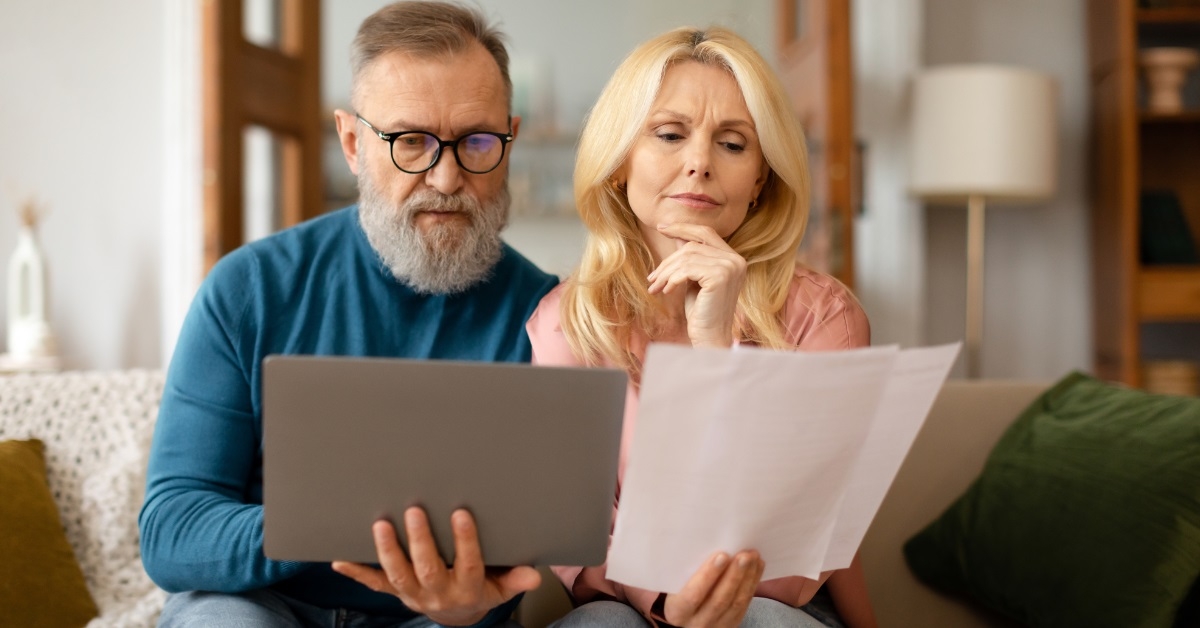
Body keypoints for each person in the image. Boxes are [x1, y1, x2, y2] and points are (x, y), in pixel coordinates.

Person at [139, 2, 556, 626]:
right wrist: (329, 519)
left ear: (510, 139)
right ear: (354, 143)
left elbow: (532, 545)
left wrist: (478, 605)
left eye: (476, 142)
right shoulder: (248, 289)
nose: (446, 178)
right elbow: (172, 531)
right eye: (411, 141)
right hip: (261, 606)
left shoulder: (547, 315)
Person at [526, 26, 879, 628]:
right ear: (620, 161)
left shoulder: (825, 318)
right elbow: (579, 540)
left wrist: (716, 352)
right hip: (626, 601)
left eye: (733, 144)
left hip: (775, 602)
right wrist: (667, 600)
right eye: (669, 135)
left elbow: (791, 568)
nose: (699, 163)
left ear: (760, 180)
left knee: (760, 620)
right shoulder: (565, 322)